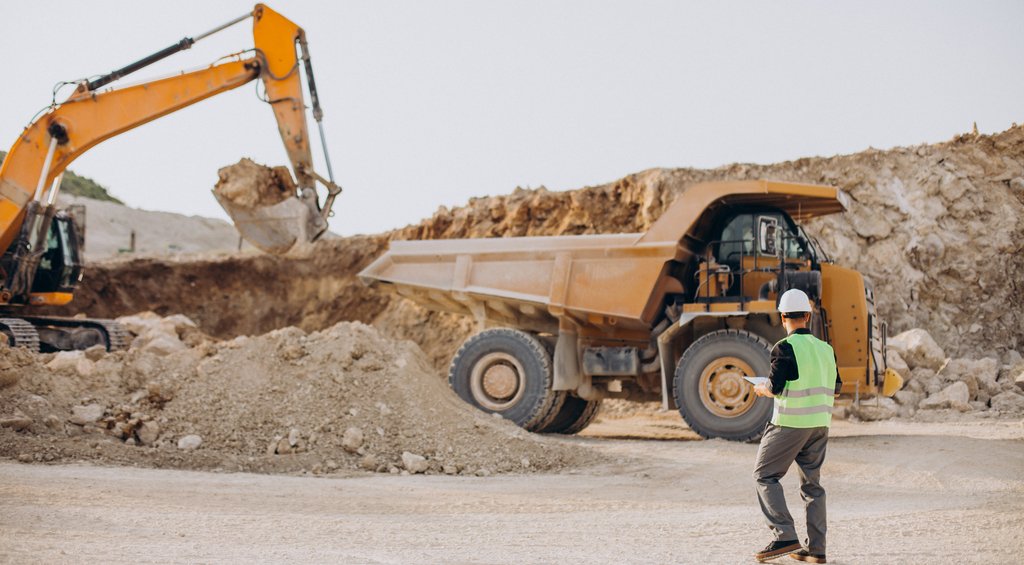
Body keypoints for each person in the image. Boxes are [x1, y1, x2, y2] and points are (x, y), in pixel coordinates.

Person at [751, 289, 842, 564]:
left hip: (790, 424)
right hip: (819, 426)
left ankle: (784, 535)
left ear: (782, 318)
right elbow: (836, 390)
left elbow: (775, 388)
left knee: (764, 475)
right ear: (807, 316)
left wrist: (760, 388)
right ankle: (816, 549)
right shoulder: (826, 349)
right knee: (812, 486)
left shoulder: (784, 347)